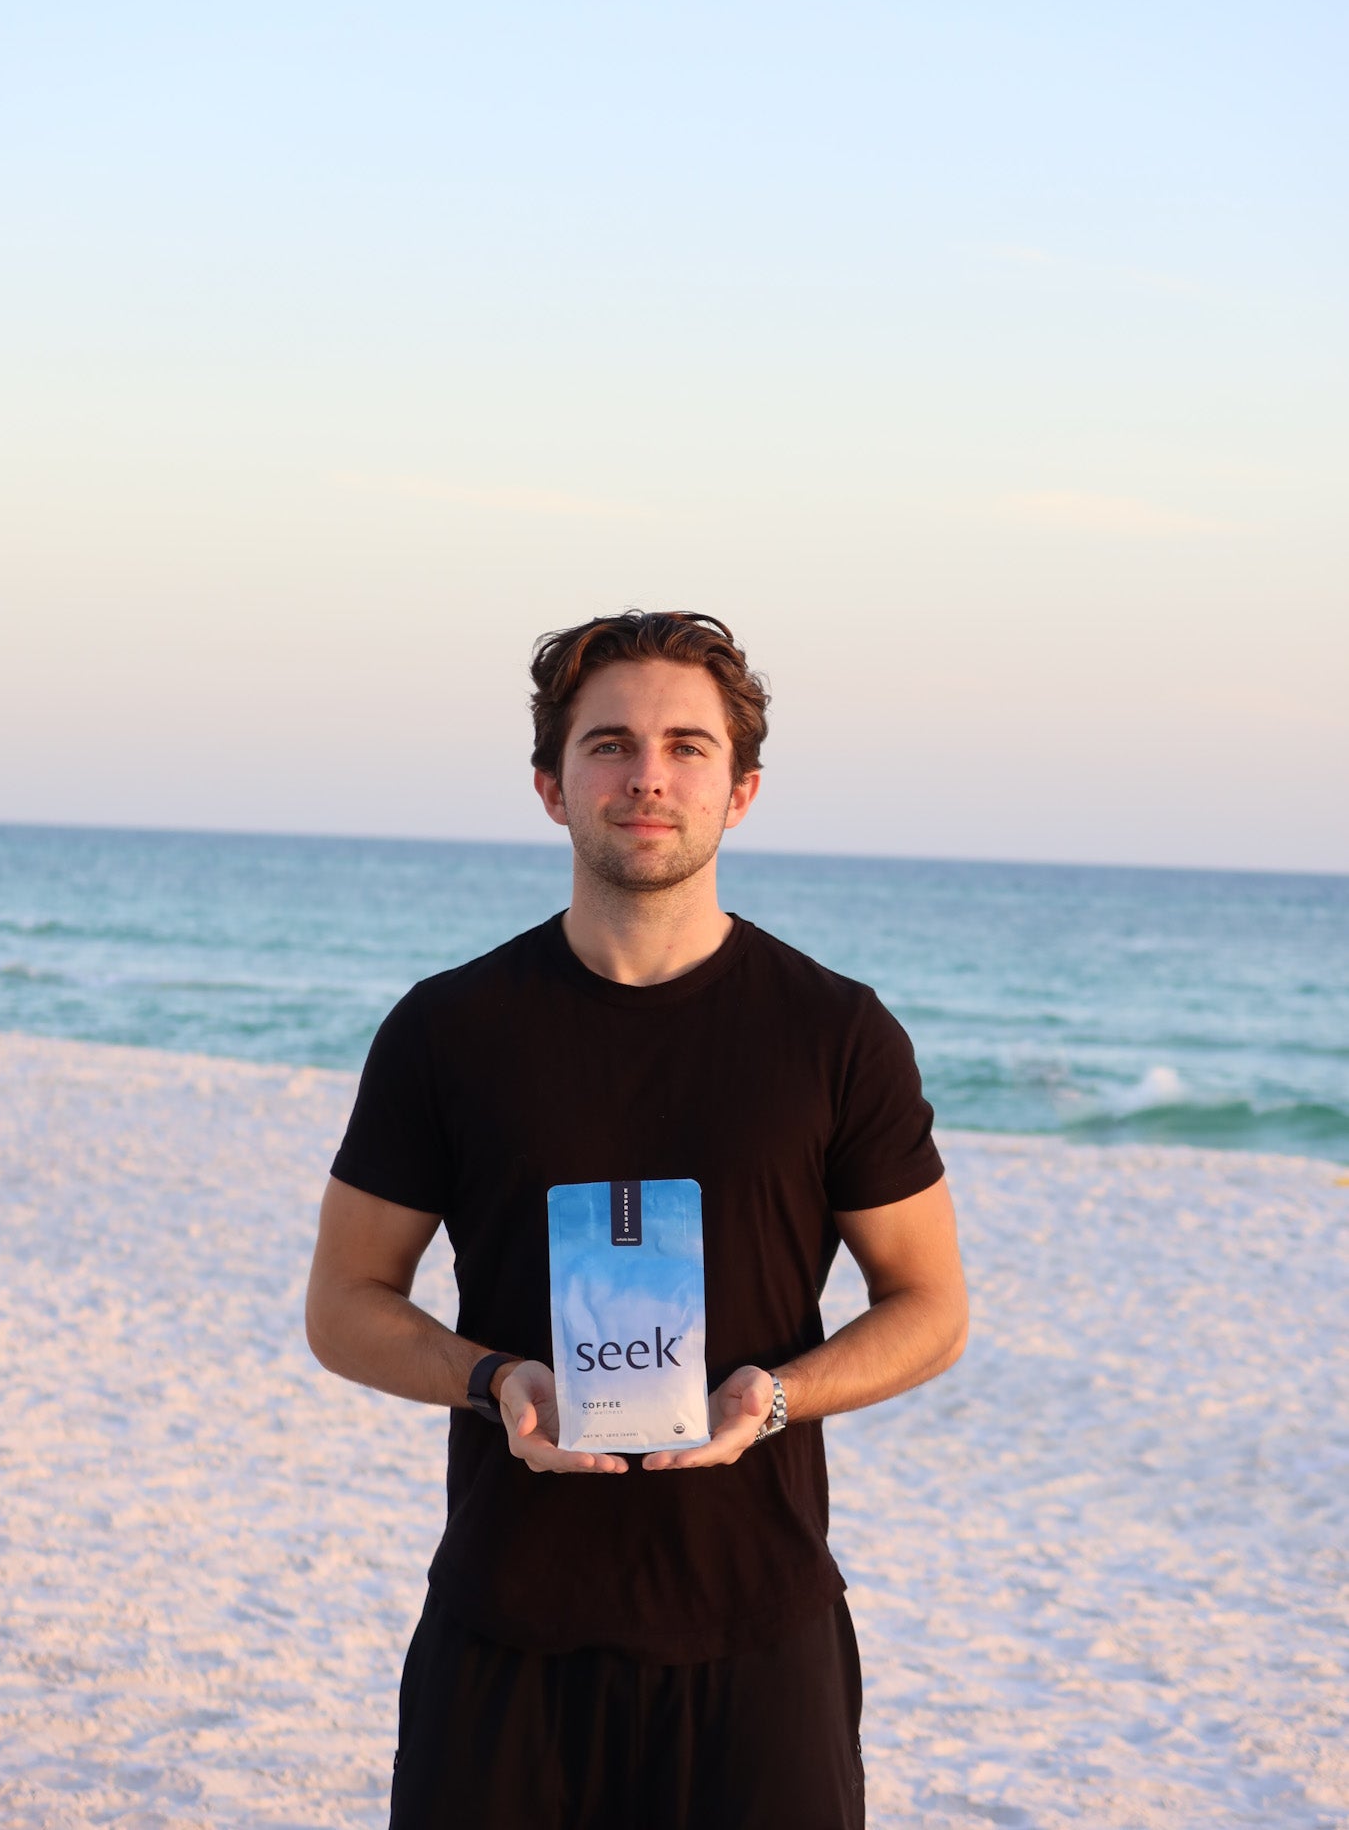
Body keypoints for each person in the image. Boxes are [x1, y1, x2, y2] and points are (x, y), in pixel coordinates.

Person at [305, 609, 969, 1830]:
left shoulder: (837, 1033)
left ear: (743, 789)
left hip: (760, 1629)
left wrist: (770, 1396)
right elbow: (345, 1305)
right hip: (505, 1626)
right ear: (552, 787)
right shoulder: (448, 1030)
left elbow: (930, 1306)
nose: (649, 774)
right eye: (609, 744)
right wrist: (495, 1374)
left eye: (687, 745)